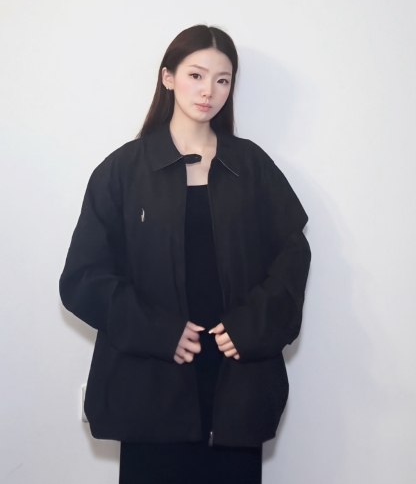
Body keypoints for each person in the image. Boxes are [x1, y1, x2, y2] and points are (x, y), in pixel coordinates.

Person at [59, 24, 311, 484]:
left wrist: (252, 326)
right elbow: (83, 278)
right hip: (150, 384)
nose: (209, 91)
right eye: (196, 75)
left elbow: (292, 254)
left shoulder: (251, 166)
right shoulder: (122, 171)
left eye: (222, 80)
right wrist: (159, 332)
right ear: (168, 77)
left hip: (235, 383)